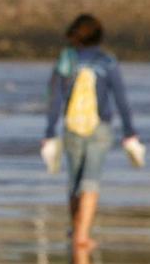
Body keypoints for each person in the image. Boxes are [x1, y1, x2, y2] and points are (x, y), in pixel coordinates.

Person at [43, 14, 139, 250]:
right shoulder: (107, 62)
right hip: (100, 127)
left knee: (75, 182)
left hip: (72, 126)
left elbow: (55, 98)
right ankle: (81, 236)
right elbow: (120, 98)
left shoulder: (67, 60)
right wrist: (130, 132)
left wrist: (49, 130)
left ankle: (76, 229)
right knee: (91, 180)